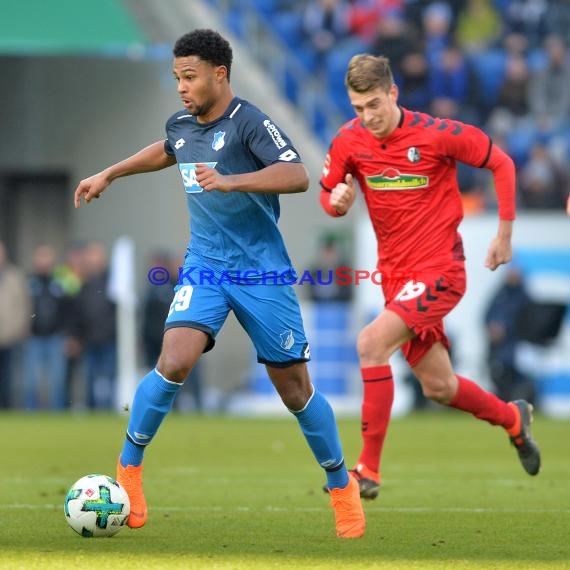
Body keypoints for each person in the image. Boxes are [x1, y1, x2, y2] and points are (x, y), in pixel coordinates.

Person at [74, 29, 364, 538]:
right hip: (206, 264)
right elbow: (168, 149)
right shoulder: (182, 125)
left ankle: (341, 486)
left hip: (262, 270)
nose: (182, 88)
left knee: (295, 391)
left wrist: (230, 179)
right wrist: (110, 173)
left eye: (189, 77)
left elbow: (295, 175)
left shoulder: (249, 121)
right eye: (176, 78)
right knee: (174, 359)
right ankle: (129, 469)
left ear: (219, 74)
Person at [318, 53, 541, 500]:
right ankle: (513, 419)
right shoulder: (348, 140)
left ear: (393, 92)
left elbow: (502, 163)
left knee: (370, 344)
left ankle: (368, 469)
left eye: (374, 104)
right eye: (358, 108)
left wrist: (504, 234)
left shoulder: (438, 135)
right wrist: (336, 202)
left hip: (440, 270)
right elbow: (328, 194)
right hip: (394, 279)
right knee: (439, 386)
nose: (368, 117)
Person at [23, 244, 67, 410]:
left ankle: (57, 413)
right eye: (40, 256)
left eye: (47, 256)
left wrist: (68, 332)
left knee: (57, 380)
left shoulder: (61, 282)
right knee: (31, 381)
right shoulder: (28, 282)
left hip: (56, 337)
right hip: (33, 337)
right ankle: (30, 413)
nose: (44, 261)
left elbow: (69, 309)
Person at [484, 266, 534, 404]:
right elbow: (487, 314)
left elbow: (527, 322)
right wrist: (491, 327)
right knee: (496, 372)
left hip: (515, 343)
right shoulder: (499, 294)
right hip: (495, 345)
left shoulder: (524, 297)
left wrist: (505, 328)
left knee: (514, 373)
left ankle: (516, 401)